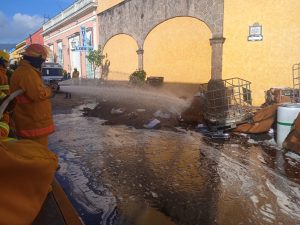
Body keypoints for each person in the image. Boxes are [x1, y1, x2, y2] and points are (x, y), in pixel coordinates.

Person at [10, 44, 54, 147]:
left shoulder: (24, 71)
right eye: (42, 61)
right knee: (39, 156)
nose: (42, 63)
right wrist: (49, 90)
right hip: (33, 125)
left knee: (33, 156)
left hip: (30, 122)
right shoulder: (28, 73)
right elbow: (37, 95)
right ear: (37, 59)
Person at [0, 50, 11, 138]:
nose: (8, 64)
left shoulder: (4, 73)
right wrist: (7, 100)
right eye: (7, 61)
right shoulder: (1, 74)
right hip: (3, 106)